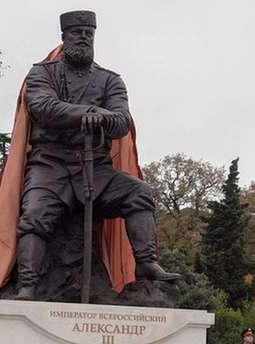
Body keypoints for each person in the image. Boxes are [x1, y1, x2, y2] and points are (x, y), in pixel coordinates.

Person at [14, 9, 178, 300]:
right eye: (77, 34)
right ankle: (27, 285)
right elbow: (44, 108)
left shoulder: (110, 80)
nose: (83, 38)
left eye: (89, 34)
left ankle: (146, 264)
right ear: (64, 37)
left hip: (95, 168)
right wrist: (89, 112)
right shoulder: (42, 73)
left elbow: (121, 122)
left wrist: (102, 118)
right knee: (35, 214)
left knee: (139, 192)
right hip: (50, 163)